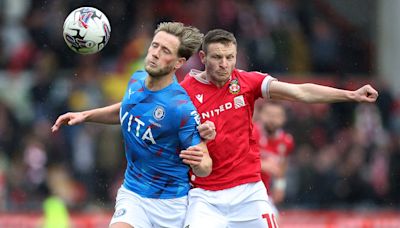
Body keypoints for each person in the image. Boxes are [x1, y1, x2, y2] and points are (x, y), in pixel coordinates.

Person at [180, 29, 378, 227]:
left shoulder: (246, 82)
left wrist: (351, 95)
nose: (224, 64)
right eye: (217, 57)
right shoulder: (184, 92)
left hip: (249, 193)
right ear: (203, 57)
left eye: (230, 57)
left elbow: (301, 92)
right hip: (204, 196)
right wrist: (196, 133)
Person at [51, 22, 212, 228]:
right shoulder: (136, 80)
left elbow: (205, 165)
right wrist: (85, 115)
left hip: (171, 205)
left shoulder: (180, 108)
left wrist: (199, 163)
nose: (154, 54)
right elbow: (127, 109)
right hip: (133, 194)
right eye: (154, 46)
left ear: (178, 62)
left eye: (165, 51)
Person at [253, 101, 294, 218]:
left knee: (275, 218)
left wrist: (280, 186)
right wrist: (262, 165)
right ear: (260, 115)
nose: (272, 119)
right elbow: (237, 161)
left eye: (277, 116)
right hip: (241, 191)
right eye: (268, 114)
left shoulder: (286, 141)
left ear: (284, 118)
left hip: (263, 194)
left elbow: (281, 167)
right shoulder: (250, 133)